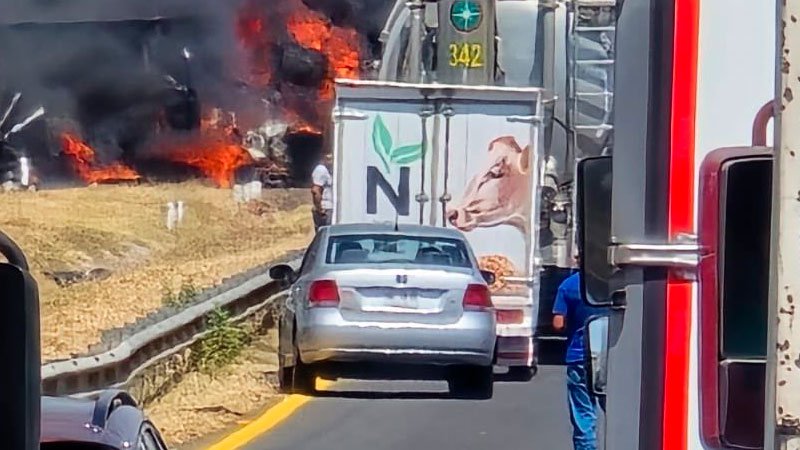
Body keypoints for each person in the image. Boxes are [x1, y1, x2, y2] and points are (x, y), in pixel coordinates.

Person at [552, 264, 606, 450]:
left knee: (583, 415)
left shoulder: (568, 285)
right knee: (615, 408)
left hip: (578, 356)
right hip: (609, 357)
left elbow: (558, 323)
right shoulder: (610, 283)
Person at [311, 154, 333, 231]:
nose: (331, 161)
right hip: (325, 208)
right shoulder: (321, 170)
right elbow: (315, 190)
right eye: (329, 159)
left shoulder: (329, 170)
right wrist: (320, 209)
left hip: (329, 208)